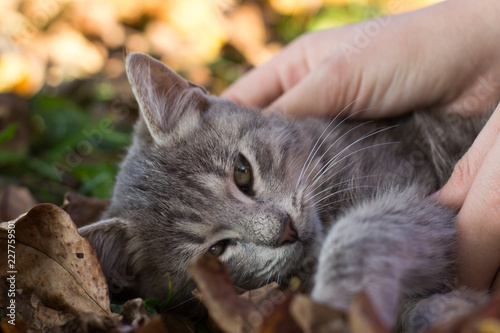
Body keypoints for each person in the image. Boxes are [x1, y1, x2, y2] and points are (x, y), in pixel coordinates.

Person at [222, 0, 500, 291]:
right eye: (218, 248)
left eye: (243, 175)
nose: (274, 229)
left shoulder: (339, 151)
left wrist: (483, 25)